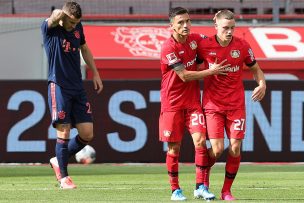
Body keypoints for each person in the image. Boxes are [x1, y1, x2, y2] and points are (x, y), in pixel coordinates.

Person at [159, 7, 229, 201]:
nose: (185, 25)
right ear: (171, 26)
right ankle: (175, 190)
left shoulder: (195, 39)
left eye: (188, 21)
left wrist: (219, 23)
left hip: (192, 103)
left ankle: (200, 186)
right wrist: (211, 72)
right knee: (174, 149)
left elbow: (215, 40)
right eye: (180, 22)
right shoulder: (168, 47)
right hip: (172, 104)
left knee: (200, 142)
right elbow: (184, 76)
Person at [197, 9, 266, 200]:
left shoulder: (242, 46)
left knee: (235, 148)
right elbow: (190, 68)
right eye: (226, 28)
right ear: (216, 26)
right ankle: (203, 179)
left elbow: (256, 69)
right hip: (213, 106)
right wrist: (207, 72)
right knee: (217, 149)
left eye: (232, 28)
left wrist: (262, 84)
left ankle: (226, 191)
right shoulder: (204, 46)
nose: (229, 31)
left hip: (236, 105)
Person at [41, 1, 103, 189]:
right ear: (64, 18)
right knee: (64, 131)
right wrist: (60, 16)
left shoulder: (77, 27)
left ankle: (57, 159)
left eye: (77, 23)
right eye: (71, 23)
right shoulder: (49, 29)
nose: (74, 26)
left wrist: (96, 73)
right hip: (59, 86)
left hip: (77, 87)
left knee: (87, 133)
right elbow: (55, 15)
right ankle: (64, 178)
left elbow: (84, 48)